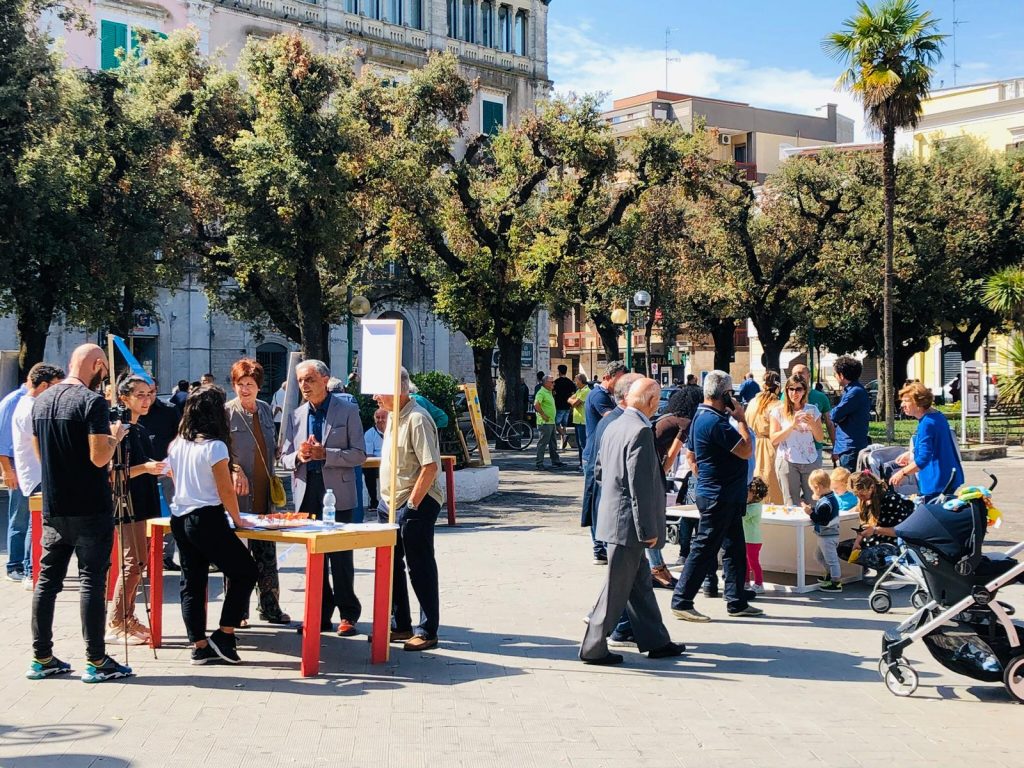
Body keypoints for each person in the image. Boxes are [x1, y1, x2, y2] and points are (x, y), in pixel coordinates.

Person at [28, 343, 132, 682]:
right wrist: (115, 437)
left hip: (55, 504)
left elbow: (38, 449)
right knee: (92, 581)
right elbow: (99, 457)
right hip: (89, 505)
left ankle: (41, 656)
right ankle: (97, 660)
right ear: (99, 365)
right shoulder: (92, 401)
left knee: (47, 581)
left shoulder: (42, 399)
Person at [580, 378, 685, 666]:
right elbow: (639, 487)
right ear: (651, 402)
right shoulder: (639, 430)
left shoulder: (615, 424)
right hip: (629, 525)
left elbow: (600, 471)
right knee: (616, 589)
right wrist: (647, 530)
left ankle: (656, 641)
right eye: (658, 400)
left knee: (640, 585)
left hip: (614, 518)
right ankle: (592, 647)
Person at [166, 385, 259, 665]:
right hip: (206, 516)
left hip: (180, 516)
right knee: (245, 571)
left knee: (192, 582)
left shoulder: (177, 444)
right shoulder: (215, 446)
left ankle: (199, 644)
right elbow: (225, 489)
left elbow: (173, 477)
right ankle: (225, 632)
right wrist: (238, 518)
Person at [670, 370, 763, 622]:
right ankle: (682, 599)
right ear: (725, 394)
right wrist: (742, 419)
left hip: (724, 493)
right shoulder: (715, 422)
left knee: (734, 546)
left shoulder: (701, 417)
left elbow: (692, 456)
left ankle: (736, 599)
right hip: (719, 495)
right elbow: (745, 450)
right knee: (704, 547)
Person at [282, 360, 366, 636]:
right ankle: (319, 614)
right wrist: (299, 456)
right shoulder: (296, 415)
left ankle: (348, 614)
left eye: (309, 380)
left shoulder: (348, 410)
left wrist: (326, 455)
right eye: (300, 381)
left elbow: (359, 455)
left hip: (337, 493)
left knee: (340, 557)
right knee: (314, 559)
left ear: (325, 380)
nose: (304, 386)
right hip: (307, 491)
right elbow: (283, 456)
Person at [374, 367, 444, 651]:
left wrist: (412, 503)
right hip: (389, 502)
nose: (375, 396)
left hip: (416, 501)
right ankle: (400, 625)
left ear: (398, 389)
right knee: (390, 565)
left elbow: (430, 466)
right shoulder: (392, 416)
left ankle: (427, 630)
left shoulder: (417, 418)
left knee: (420, 567)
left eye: (380, 390)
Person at [226, 359, 290, 625]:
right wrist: (234, 468)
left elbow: (273, 444)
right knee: (236, 559)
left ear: (259, 387)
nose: (244, 390)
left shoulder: (264, 410)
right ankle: (237, 612)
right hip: (238, 499)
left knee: (267, 556)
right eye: (240, 385)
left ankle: (271, 607)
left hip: (264, 497)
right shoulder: (226, 412)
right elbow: (216, 450)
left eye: (249, 384)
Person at [107, 375, 164, 645]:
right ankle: (116, 620)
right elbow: (113, 474)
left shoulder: (139, 429)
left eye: (149, 393)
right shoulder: (118, 430)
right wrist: (146, 468)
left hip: (144, 501)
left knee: (140, 561)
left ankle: (127, 616)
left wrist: (158, 466)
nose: (146, 399)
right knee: (132, 563)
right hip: (126, 503)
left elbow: (142, 463)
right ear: (124, 398)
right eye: (139, 395)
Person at [9, 364, 64, 590]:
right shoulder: (33, 408)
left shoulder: (26, 404)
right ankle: (32, 571)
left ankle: (30, 570)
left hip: (34, 472)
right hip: (37, 473)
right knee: (37, 524)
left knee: (36, 523)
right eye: (55, 388)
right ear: (43, 385)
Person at [582, 372, 641, 567]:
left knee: (599, 501)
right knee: (599, 501)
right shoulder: (600, 397)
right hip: (595, 454)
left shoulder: (604, 397)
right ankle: (600, 548)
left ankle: (601, 547)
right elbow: (612, 419)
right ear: (610, 376)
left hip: (596, 454)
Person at [890, 381, 964, 502]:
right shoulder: (937, 416)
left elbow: (923, 459)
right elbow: (936, 444)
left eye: (906, 401)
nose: (902, 405)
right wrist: (911, 453)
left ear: (919, 402)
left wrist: (902, 473)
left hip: (936, 480)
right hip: (948, 476)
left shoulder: (927, 423)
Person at [139, 379, 182, 571]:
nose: (148, 398)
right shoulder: (131, 411)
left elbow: (180, 436)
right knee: (143, 514)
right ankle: (143, 555)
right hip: (139, 471)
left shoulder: (169, 410)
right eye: (143, 393)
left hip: (166, 470)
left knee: (172, 513)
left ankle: (166, 555)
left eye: (152, 392)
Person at [839, 471, 915, 571]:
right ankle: (873, 570)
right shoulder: (864, 501)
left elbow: (901, 531)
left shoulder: (891, 499)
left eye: (862, 494)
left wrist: (875, 530)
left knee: (870, 554)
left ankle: (893, 569)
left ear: (871, 488)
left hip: (893, 544)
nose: (860, 498)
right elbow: (864, 526)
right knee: (841, 548)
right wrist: (857, 542)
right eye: (857, 495)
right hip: (874, 541)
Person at [770, 375, 824, 507]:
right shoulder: (777, 411)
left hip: (810, 460)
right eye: (791, 389)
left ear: (804, 391)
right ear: (786, 391)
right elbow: (774, 439)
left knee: (813, 501)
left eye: (799, 389)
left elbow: (820, 438)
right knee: (791, 504)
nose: (795, 393)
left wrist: (812, 424)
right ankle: (794, 528)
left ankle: (812, 528)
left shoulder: (812, 410)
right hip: (788, 461)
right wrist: (792, 425)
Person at [0, 377, 29, 582]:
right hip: (16, 467)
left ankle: (27, 565)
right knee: (19, 517)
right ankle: (14, 565)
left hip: (27, 467)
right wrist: (7, 471)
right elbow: (2, 440)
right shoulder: (14, 400)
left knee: (29, 519)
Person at [746, 371, 783, 505]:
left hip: (752, 444)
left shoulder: (752, 402)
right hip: (772, 446)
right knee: (773, 485)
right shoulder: (778, 405)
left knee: (754, 480)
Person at [803, 469, 843, 592]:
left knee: (831, 559)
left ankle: (836, 581)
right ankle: (830, 574)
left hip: (828, 536)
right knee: (819, 556)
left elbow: (822, 520)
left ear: (818, 487)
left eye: (813, 489)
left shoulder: (826, 502)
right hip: (826, 535)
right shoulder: (830, 498)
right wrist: (814, 510)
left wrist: (810, 513)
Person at [829, 356, 870, 472]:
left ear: (841, 375)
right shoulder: (852, 391)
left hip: (851, 447)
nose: (835, 377)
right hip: (847, 446)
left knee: (850, 484)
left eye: (835, 374)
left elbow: (834, 415)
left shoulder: (854, 392)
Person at [791, 363, 835, 462]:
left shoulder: (820, 397)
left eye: (801, 373)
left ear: (809, 375)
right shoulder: (786, 396)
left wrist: (835, 447)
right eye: (795, 374)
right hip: (792, 449)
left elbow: (829, 422)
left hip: (815, 447)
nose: (798, 376)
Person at [743, 477, 769, 594]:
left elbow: (743, 515)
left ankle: (759, 583)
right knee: (745, 562)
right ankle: (746, 581)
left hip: (752, 540)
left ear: (754, 494)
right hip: (746, 538)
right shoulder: (750, 505)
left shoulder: (755, 507)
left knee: (753, 562)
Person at [533, 375, 564, 470]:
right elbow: (536, 404)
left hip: (551, 422)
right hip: (545, 422)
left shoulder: (549, 392)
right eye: (551, 382)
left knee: (553, 443)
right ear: (545, 383)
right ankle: (539, 463)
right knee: (543, 443)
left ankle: (555, 461)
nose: (553, 383)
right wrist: (543, 415)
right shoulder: (541, 392)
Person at [363, 408, 387, 513]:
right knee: (369, 472)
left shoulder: (394, 431)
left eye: (383, 417)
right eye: (378, 417)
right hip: (376, 463)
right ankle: (374, 501)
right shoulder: (369, 434)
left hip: (391, 461)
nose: (380, 420)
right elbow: (369, 455)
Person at [567, 373, 591, 469]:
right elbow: (569, 399)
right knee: (580, 444)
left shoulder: (585, 391)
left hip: (583, 421)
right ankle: (581, 463)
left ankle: (585, 464)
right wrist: (571, 400)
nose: (575, 382)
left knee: (583, 444)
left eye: (576, 380)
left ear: (581, 381)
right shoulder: (579, 391)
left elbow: (575, 403)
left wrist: (572, 400)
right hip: (577, 421)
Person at [552, 365, 577, 450]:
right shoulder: (570, 382)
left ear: (559, 371)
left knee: (556, 423)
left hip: (559, 405)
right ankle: (562, 443)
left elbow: (553, 392)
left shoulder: (556, 382)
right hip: (568, 406)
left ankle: (564, 435)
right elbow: (574, 392)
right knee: (564, 425)